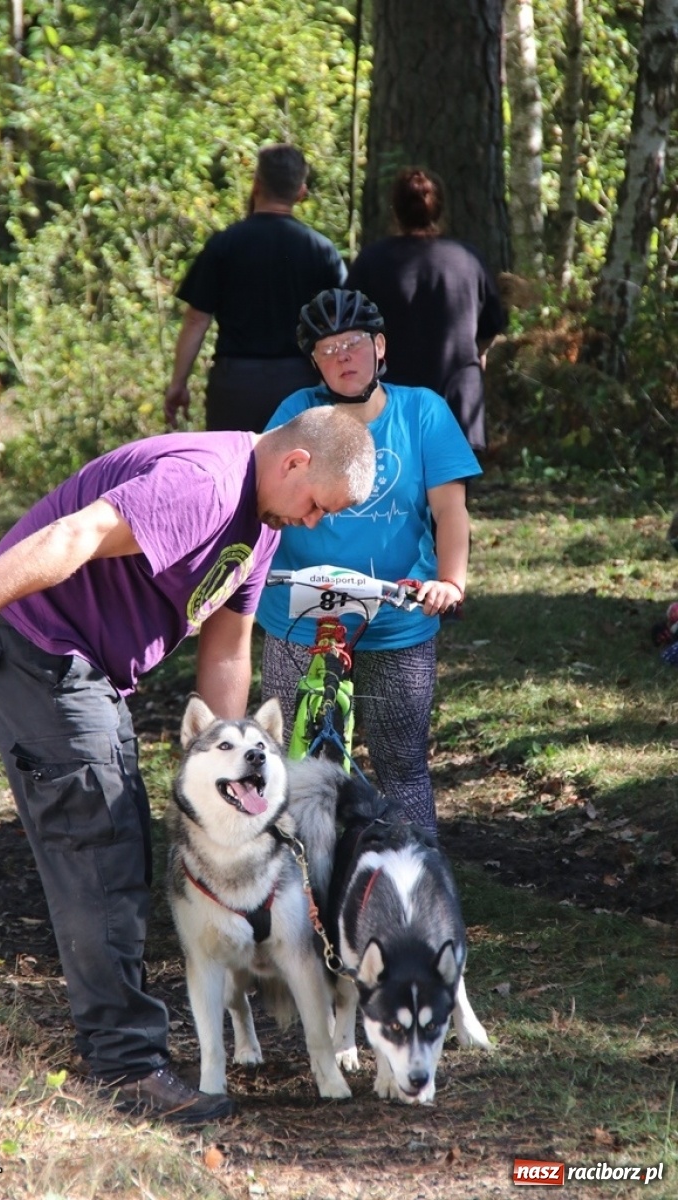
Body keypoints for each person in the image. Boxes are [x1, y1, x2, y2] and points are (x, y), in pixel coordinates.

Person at [0, 406, 376, 1125]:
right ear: (295, 464)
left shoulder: (261, 521)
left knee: (119, 839)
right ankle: (126, 1068)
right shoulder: (206, 485)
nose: (313, 522)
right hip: (37, 649)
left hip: (82, 664)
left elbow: (227, 648)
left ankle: (123, 1045)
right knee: (103, 843)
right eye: (316, 506)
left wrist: (228, 771)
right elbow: (72, 534)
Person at [256, 288, 481, 837]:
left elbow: (450, 510)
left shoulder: (422, 410)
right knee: (296, 759)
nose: (343, 357)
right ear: (314, 362)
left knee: (401, 764)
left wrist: (450, 580)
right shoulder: (297, 414)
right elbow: (262, 495)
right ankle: (297, 886)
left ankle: (418, 885)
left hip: (396, 614)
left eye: (353, 343)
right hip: (300, 613)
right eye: (327, 349)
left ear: (379, 346)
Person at [164, 143, 346, 434]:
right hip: (299, 384)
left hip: (235, 385)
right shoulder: (321, 250)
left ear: (256, 184)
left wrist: (178, 384)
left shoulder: (223, 245)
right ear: (301, 191)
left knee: (235, 473)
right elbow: (341, 322)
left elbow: (197, 319)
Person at [345, 166, 507, 455]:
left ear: (395, 210)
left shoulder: (371, 261)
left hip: (389, 405)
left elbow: (345, 326)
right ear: (440, 209)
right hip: (455, 401)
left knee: (392, 495)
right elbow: (492, 324)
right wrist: (479, 352)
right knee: (452, 498)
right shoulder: (467, 260)